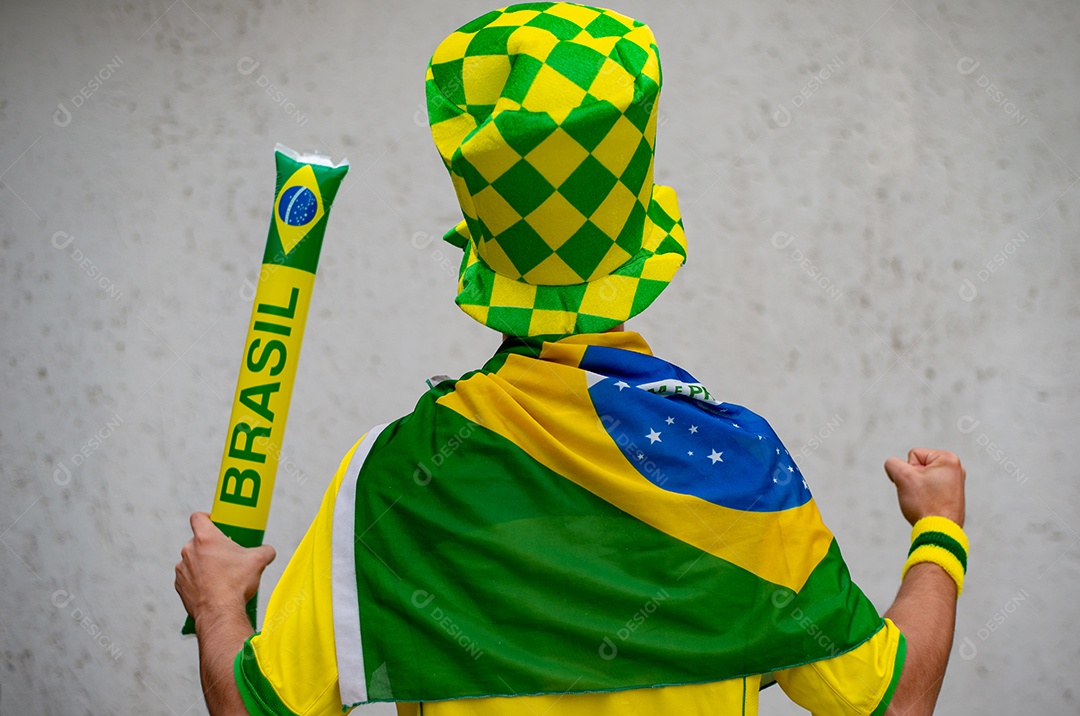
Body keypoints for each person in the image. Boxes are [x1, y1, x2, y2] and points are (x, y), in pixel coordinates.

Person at [176, 3, 968, 715]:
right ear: (643, 250)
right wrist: (940, 529)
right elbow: (895, 699)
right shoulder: (740, 467)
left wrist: (219, 606)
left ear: (482, 261)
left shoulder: (391, 481)